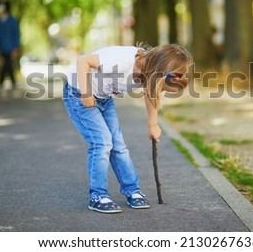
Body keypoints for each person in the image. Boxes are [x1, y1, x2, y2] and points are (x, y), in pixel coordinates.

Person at [63, 44, 193, 213]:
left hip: (103, 98)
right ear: (158, 71)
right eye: (163, 87)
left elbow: (151, 93)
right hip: (79, 94)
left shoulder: (150, 72)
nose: (161, 90)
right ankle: (97, 195)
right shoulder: (121, 60)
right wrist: (86, 93)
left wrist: (152, 124)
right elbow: (83, 61)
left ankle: (132, 190)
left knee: (119, 146)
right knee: (102, 143)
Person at [0, 0, 20, 89]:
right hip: (1, 47)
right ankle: (13, 82)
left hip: (11, 47)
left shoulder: (13, 21)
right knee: (7, 64)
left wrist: (16, 47)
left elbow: (16, 35)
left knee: (6, 63)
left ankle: (1, 82)